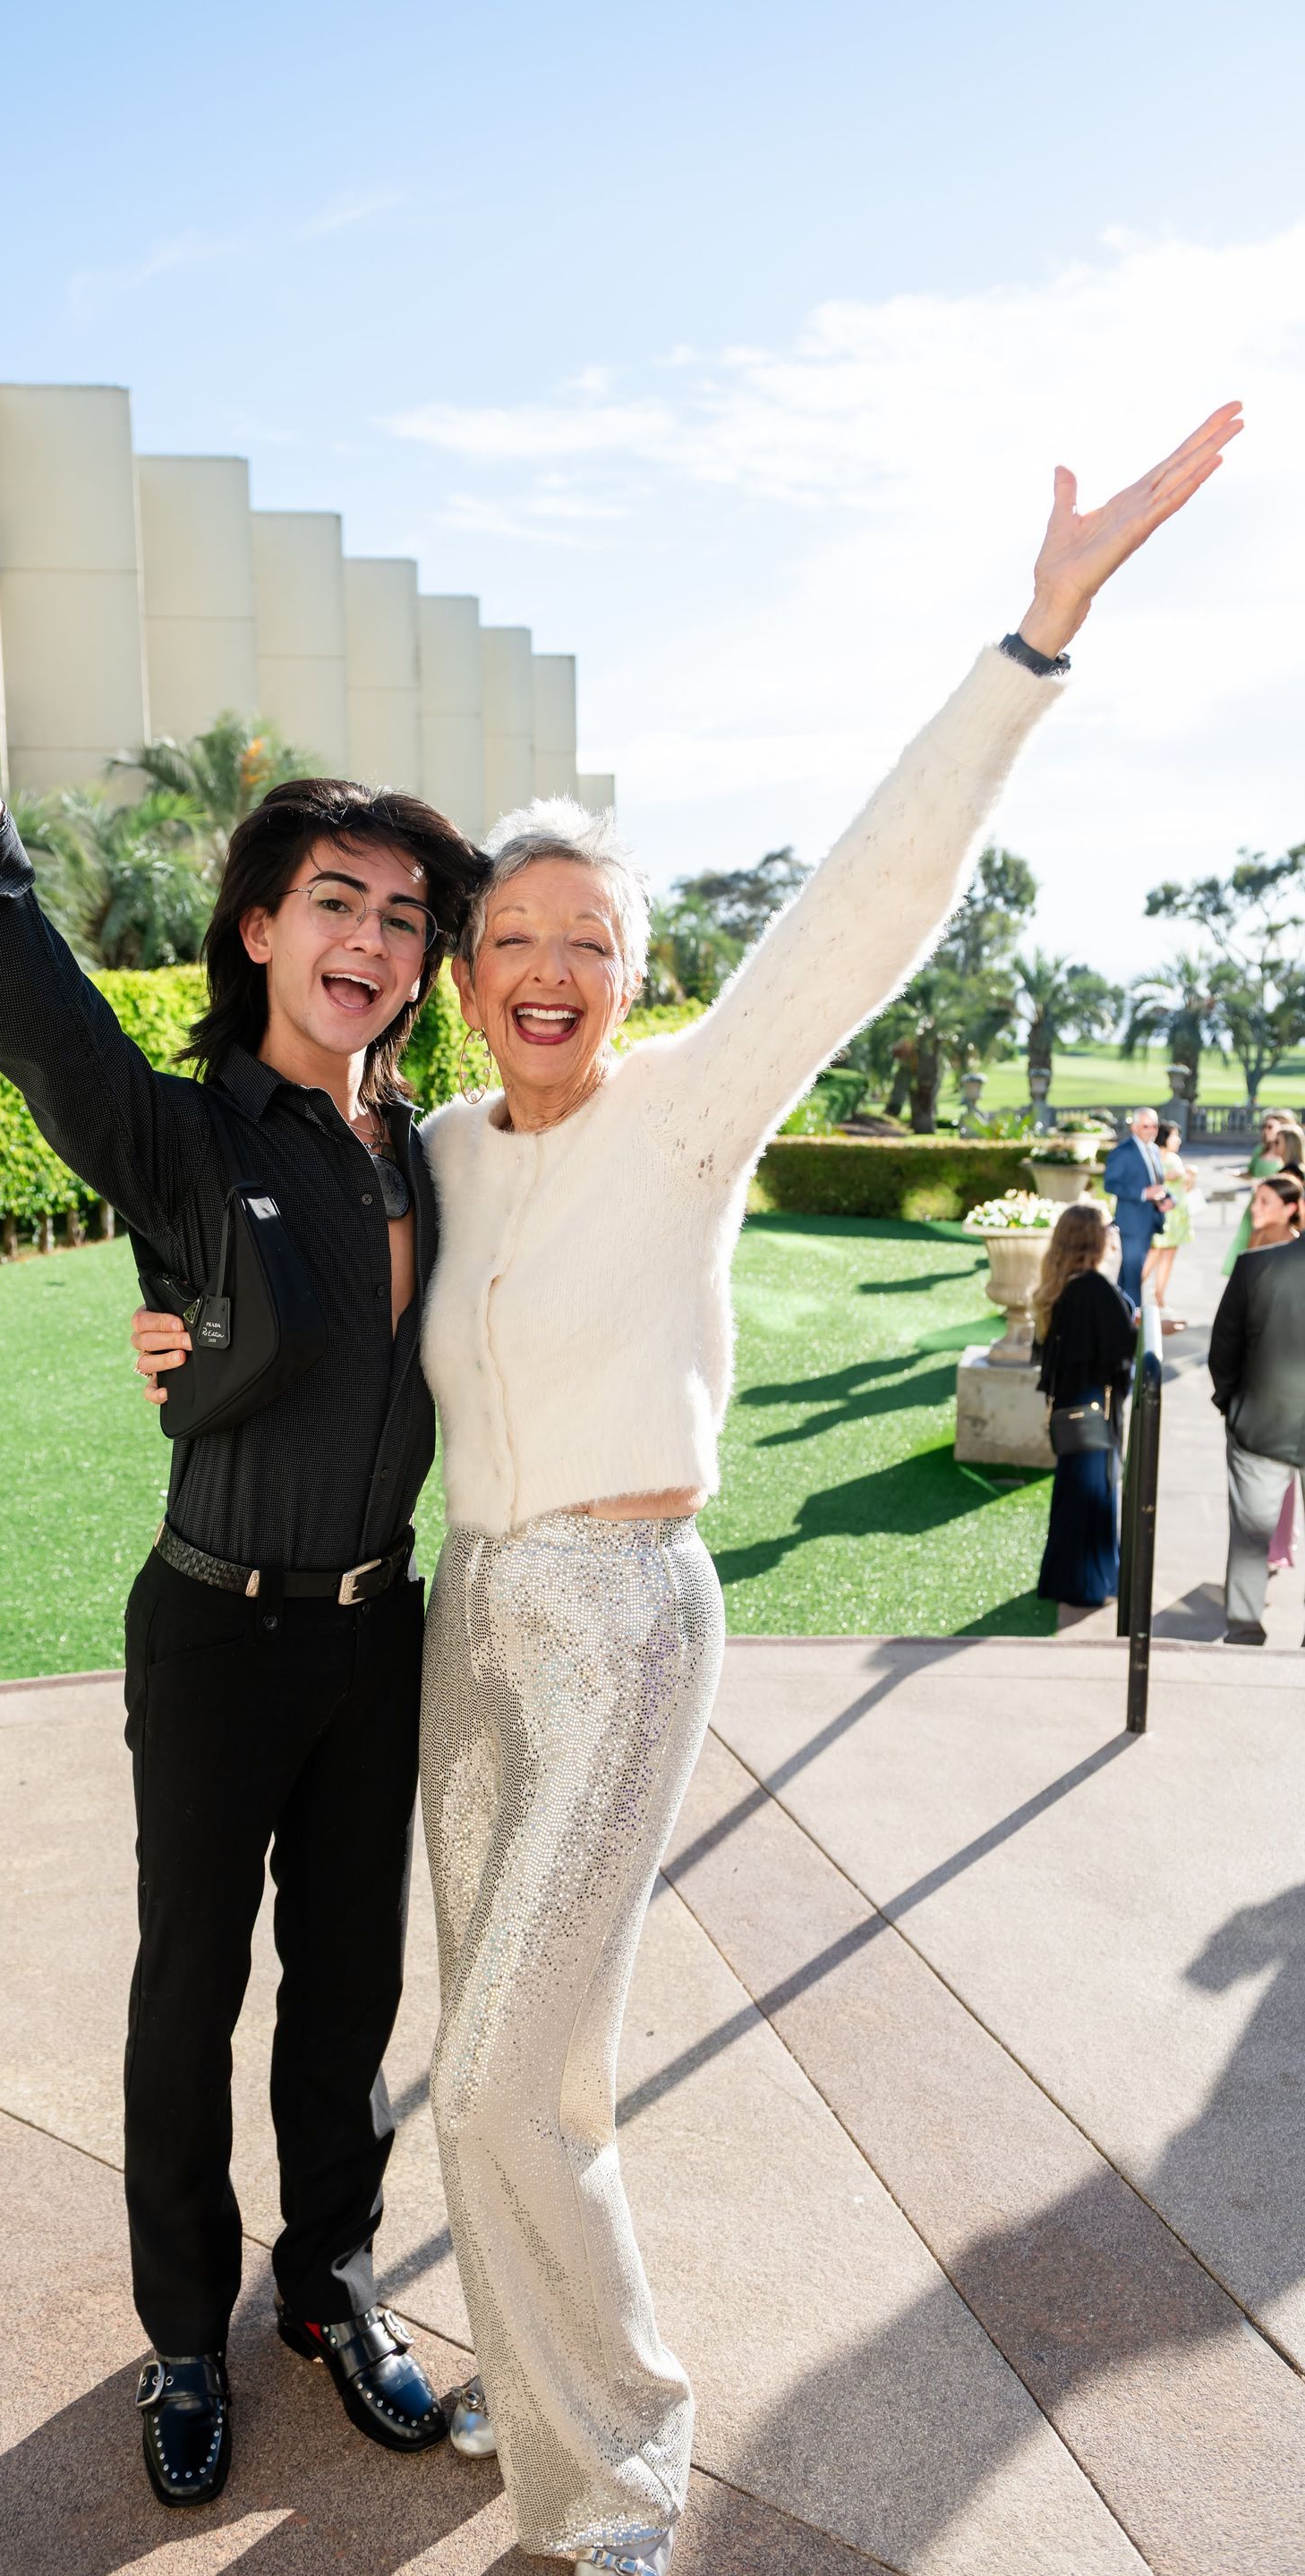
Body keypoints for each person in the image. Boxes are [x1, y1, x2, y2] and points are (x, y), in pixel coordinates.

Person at [404, 405, 1240, 2576]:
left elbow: (865, 905)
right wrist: (185, 1333)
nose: (551, 968)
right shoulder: (434, 1156)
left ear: (636, 970)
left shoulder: (691, 1111)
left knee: (498, 2076)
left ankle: (620, 2473)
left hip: (621, 1614)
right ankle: (537, 2394)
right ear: (467, 974)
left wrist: (1031, 644)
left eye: (590, 938)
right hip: (465, 1625)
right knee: (503, 2060)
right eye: (514, 938)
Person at [0, 431, 489, 2506]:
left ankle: (330, 2288)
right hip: (216, 1630)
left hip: (382, 1634)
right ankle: (183, 2331)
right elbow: (12, 963)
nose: (372, 936)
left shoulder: (444, 1152)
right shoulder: (180, 1132)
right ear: (258, 929)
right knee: (189, 1995)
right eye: (334, 901)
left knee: (351, 1992)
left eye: (403, 916)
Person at [1211, 1171, 1305, 1645]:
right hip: (1260, 1423)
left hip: (1260, 1424)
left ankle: (1245, 1632)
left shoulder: (1254, 1267)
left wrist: (1231, 1403)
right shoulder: (1254, 1266)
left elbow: (1222, 1351)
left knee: (1250, 1537)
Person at [1034, 1203, 1138, 1609]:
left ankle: (1076, 1579)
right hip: (1093, 1405)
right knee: (1091, 1493)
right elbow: (1115, 1348)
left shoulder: (1065, 1283)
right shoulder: (1091, 1287)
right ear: (1092, 1238)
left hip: (1075, 1404)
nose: (1114, 1232)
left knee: (1077, 1491)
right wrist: (1147, 1329)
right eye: (1107, 1226)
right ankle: (1085, 1584)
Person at [1104, 1105, 1172, 1306]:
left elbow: (1158, 1183)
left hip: (1149, 1222)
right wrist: (1143, 1193)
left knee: (1131, 1276)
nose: (1151, 1131)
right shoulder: (1122, 1152)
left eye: (1155, 1126)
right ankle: (1134, 1317)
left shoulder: (1154, 1149)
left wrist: (1169, 1199)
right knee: (1132, 1277)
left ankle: (1123, 1313)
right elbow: (1110, 1184)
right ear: (1134, 1127)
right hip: (1131, 1225)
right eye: (1145, 1126)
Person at [1141, 1120, 1197, 1323]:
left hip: (1178, 1214)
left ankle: (1159, 1296)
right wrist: (1167, 1176)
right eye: (1175, 1136)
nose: (1178, 1140)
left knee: (1169, 1257)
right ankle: (1134, 1291)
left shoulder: (1175, 1158)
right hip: (1162, 1213)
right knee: (1153, 1254)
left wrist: (1191, 1176)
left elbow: (1185, 1188)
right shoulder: (1152, 1155)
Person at [1221, 1110, 1288, 1274]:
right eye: (1264, 1126)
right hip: (1255, 1203)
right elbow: (1251, 1173)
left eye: (1270, 1126)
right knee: (1248, 1241)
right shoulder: (1260, 1150)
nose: (1266, 1130)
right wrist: (1235, 1174)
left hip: (1274, 1207)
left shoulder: (1287, 1153)